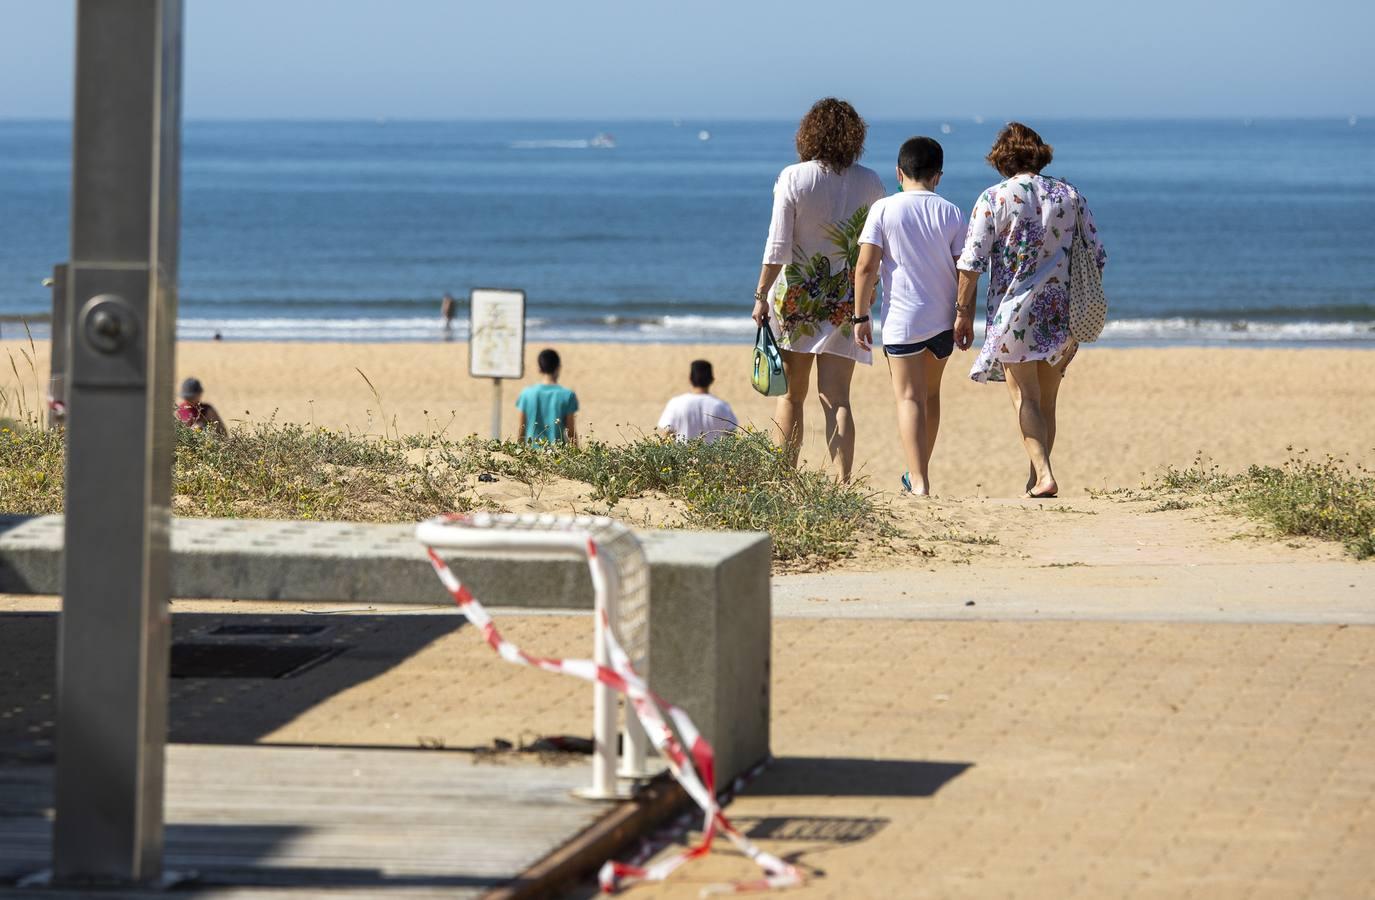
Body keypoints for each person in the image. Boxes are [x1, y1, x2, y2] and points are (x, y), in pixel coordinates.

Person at [954, 122, 1108, 498]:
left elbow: (971, 263)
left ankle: (1043, 474)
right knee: (1048, 399)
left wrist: (961, 312)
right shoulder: (1070, 195)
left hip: (1015, 312)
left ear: (1002, 159)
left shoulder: (994, 198)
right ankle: (1037, 477)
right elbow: (1098, 255)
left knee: (1025, 396)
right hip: (1063, 309)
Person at [751, 98, 886, 482]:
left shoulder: (794, 177)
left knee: (792, 396)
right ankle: (842, 483)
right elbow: (873, 248)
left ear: (809, 133)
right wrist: (870, 289)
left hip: (797, 297)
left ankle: (782, 479)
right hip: (845, 300)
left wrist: (761, 294)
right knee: (838, 399)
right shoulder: (871, 181)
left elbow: (777, 245)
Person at [852, 137, 966, 496]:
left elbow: (866, 267)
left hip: (902, 321)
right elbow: (965, 270)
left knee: (908, 398)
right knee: (930, 396)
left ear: (899, 173)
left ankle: (918, 481)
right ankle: (918, 473)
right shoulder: (951, 212)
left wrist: (860, 316)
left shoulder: (884, 209)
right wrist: (964, 315)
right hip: (943, 319)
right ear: (938, 176)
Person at [656, 360, 738, 444]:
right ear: (712, 379)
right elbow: (731, 436)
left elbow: (667, 435)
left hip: (682, 456)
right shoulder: (721, 406)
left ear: (690, 379)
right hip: (713, 457)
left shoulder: (675, 403)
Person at [515, 348, 579, 446]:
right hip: (558, 454)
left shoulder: (526, 393)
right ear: (558, 367)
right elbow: (571, 432)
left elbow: (521, 430)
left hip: (532, 453)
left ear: (539, 368)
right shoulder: (568, 395)